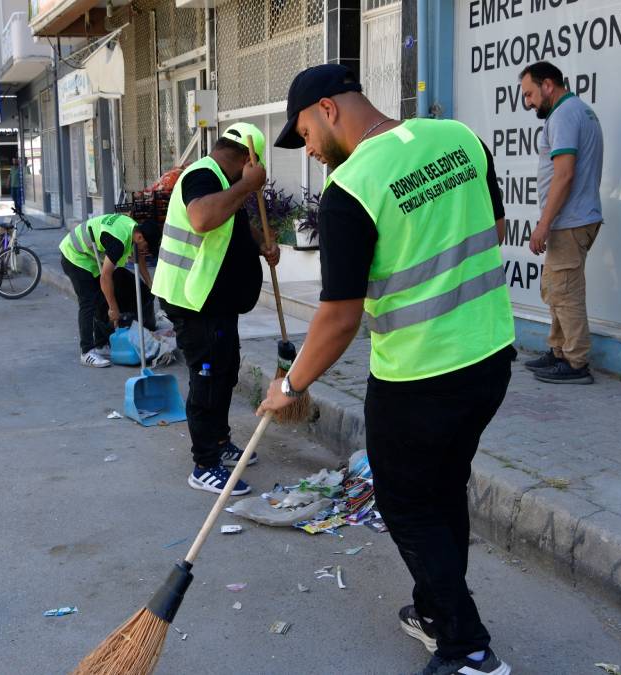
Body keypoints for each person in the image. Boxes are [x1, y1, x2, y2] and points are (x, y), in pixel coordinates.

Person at [258, 64, 514, 675]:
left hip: (419, 377)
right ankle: (434, 611)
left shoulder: (353, 189)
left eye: (306, 135)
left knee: (407, 505)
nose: (312, 153)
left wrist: (290, 385)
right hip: (490, 359)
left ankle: (468, 649)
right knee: (444, 487)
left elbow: (340, 317)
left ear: (328, 108)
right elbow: (494, 227)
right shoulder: (460, 138)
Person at [151, 122, 280, 496]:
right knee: (207, 378)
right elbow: (203, 218)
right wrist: (247, 185)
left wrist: (262, 245)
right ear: (246, 158)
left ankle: (220, 441)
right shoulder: (202, 176)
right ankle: (204, 464)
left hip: (216, 302)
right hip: (193, 302)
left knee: (225, 371)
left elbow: (235, 224)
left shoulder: (225, 183)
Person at [520, 61, 604, 385]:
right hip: (569, 221)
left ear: (548, 85)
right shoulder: (576, 111)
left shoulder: (565, 115)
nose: (528, 102)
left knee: (566, 293)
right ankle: (558, 352)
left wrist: (543, 224)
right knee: (555, 288)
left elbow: (564, 175)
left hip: (570, 221)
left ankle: (576, 363)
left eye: (529, 94)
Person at [59, 213, 162, 366]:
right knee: (89, 302)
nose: (145, 251)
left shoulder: (132, 228)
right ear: (140, 237)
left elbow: (138, 256)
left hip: (89, 255)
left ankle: (101, 345)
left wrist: (149, 282)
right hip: (74, 255)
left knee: (101, 298)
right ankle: (86, 352)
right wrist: (114, 309)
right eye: (146, 247)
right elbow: (105, 277)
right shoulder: (118, 243)